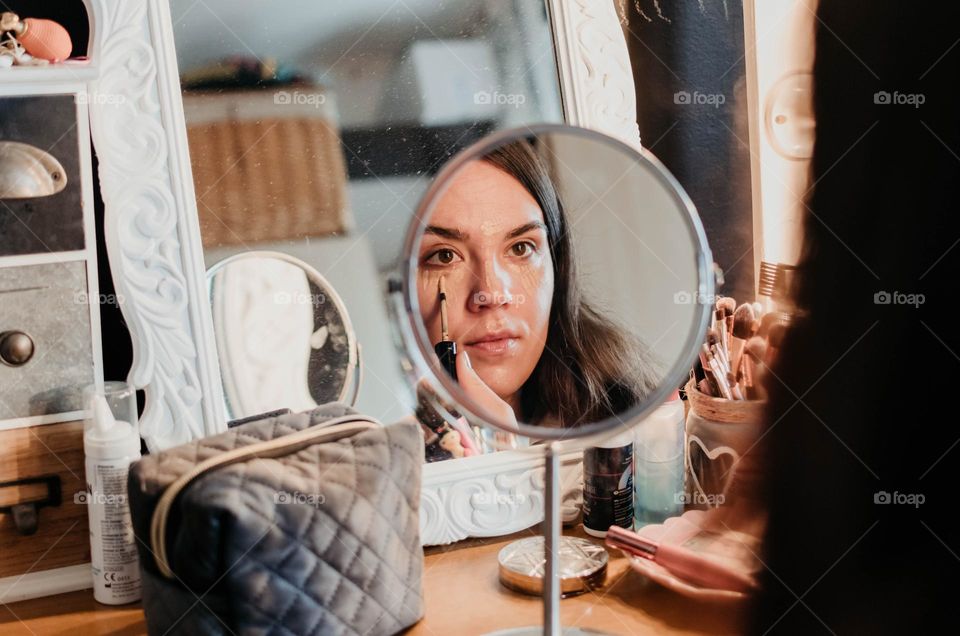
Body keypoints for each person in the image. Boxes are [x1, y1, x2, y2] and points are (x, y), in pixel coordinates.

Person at [416, 139, 662, 429]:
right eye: (445, 256)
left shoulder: (625, 414)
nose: (492, 294)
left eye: (520, 248)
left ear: (557, 266)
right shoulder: (377, 453)